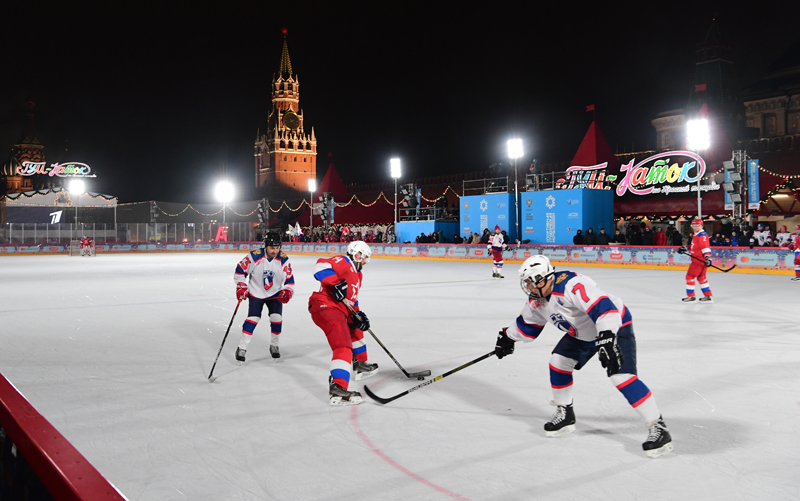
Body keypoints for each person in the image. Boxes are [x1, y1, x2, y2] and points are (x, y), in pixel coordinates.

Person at [493, 255, 672, 458]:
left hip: (613, 323)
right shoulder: (538, 301)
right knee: (558, 362)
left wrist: (606, 336)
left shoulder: (571, 284)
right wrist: (507, 337)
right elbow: (527, 326)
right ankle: (565, 413)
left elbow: (604, 308)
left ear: (542, 279)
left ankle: (658, 427)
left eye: (530, 283)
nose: (528, 288)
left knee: (620, 376)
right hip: (584, 333)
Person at [308, 241, 378, 406]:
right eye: (365, 257)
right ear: (357, 254)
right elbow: (320, 266)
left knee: (356, 329)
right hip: (325, 305)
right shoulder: (343, 262)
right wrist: (335, 283)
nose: (366, 262)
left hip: (340, 309)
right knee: (343, 346)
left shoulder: (358, 275)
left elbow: (352, 300)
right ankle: (338, 388)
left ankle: (360, 364)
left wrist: (358, 315)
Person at [233, 231, 295, 362]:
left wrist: (288, 291)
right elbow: (240, 270)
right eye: (272, 248)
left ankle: (275, 345)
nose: (275, 251)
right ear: (266, 245)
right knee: (253, 319)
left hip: (275, 294)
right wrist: (241, 286)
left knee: (276, 318)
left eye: (277, 248)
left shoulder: (283, 259)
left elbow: (290, 280)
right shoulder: (254, 256)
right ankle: (241, 347)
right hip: (256, 294)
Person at [677, 218, 713, 302]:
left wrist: (708, 257)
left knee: (690, 276)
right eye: (693, 225)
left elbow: (705, 247)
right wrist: (686, 247)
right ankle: (708, 295)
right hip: (700, 260)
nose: (694, 227)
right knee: (701, 277)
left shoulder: (702, 235)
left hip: (698, 260)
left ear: (701, 226)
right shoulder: (697, 234)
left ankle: (691, 296)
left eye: (697, 226)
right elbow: (695, 246)